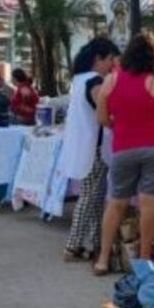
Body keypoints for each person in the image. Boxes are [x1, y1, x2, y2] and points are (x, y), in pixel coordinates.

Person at [94, 34, 154, 275]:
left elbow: (101, 118)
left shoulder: (110, 82)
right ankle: (144, 260)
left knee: (116, 204)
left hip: (123, 150)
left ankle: (102, 259)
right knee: (148, 205)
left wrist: (118, 125)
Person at [59, 38, 120, 262]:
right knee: (89, 196)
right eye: (110, 59)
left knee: (95, 196)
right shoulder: (95, 82)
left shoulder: (79, 79)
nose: (113, 64)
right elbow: (105, 110)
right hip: (95, 146)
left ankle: (93, 243)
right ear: (99, 59)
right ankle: (73, 244)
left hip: (86, 144)